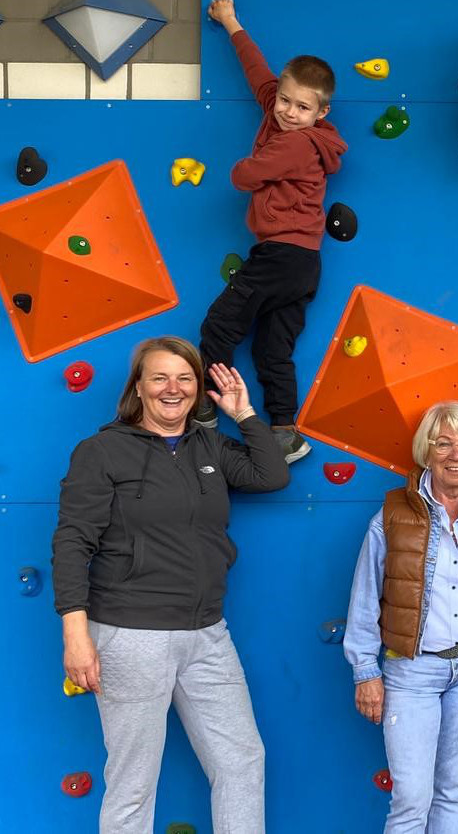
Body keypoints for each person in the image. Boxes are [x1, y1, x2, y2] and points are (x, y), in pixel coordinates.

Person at [52, 336, 290, 833]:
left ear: (199, 390)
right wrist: (76, 637)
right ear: (138, 387)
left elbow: (271, 476)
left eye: (185, 378)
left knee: (242, 762)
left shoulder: (210, 447)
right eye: (159, 377)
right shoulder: (101, 452)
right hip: (130, 635)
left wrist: (244, 414)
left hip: (206, 633)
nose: (172, 388)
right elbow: (73, 543)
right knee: (133, 782)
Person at [343, 401, 458, 834]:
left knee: (452, 791)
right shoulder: (391, 516)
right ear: (426, 451)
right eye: (443, 443)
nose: (456, 454)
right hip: (411, 672)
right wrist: (365, 671)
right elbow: (365, 600)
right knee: (412, 798)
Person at [197, 0, 348, 463]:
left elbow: (243, 177)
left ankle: (202, 408)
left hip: (280, 255)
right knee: (271, 350)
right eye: (284, 100)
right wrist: (231, 23)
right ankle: (285, 431)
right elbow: (257, 72)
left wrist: (252, 163)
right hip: (304, 264)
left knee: (219, 325)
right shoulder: (278, 111)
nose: (286, 112)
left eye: (301, 107)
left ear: (320, 113)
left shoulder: (298, 144)